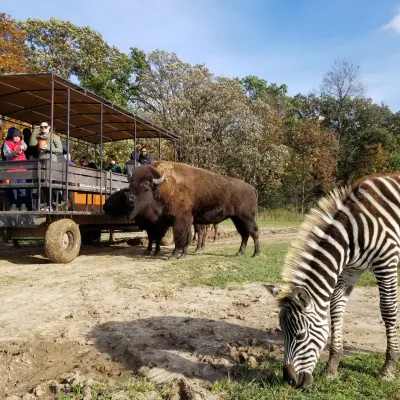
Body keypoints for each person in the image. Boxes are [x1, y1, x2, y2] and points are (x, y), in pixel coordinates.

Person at [2, 128, 29, 211]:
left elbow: (25, 146)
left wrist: (22, 147)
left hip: (22, 169)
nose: (17, 138)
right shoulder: (7, 143)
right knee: (13, 188)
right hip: (12, 169)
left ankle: (22, 204)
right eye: (15, 136)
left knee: (22, 188)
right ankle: (14, 204)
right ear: (12, 136)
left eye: (18, 136)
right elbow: (6, 154)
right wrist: (15, 153)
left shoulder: (22, 141)